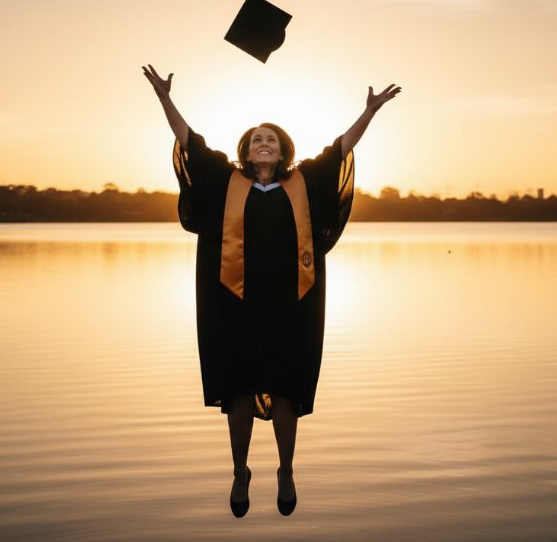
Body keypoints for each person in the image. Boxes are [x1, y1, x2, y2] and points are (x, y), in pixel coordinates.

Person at [142, 64, 400, 517]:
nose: (264, 143)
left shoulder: (303, 182)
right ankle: (240, 470)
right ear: (245, 150)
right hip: (233, 305)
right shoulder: (227, 180)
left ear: (283, 152)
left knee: (286, 389)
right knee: (238, 390)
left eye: (272, 139)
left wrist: (370, 112)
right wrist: (164, 98)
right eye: (256, 139)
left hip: (290, 307)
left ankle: (285, 468)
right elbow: (190, 143)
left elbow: (340, 149)